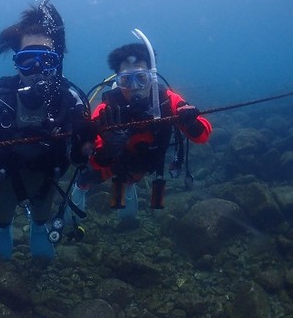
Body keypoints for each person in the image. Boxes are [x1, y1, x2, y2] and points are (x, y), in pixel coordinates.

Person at [0, 0, 86, 259]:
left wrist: (87, 144)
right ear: (16, 62)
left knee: (41, 219)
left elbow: (84, 148)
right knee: (3, 219)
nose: (38, 69)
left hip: (47, 175)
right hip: (6, 176)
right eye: (28, 59)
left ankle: (38, 230)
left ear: (57, 61)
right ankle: (4, 229)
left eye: (47, 60)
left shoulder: (70, 98)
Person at [69, 41, 212, 226]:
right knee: (88, 176)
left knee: (132, 178)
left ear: (152, 77)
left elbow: (202, 136)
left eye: (141, 78)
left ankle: (129, 185)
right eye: (126, 80)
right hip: (114, 164)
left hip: (146, 164)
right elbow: (91, 157)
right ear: (118, 81)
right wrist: (106, 150)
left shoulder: (167, 100)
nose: (134, 86)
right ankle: (80, 187)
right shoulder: (108, 109)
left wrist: (191, 122)